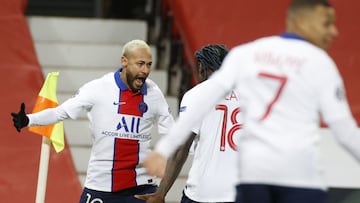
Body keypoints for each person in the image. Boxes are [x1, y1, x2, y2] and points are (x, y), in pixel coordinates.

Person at [142, 0, 360, 203]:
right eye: (327, 23)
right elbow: (344, 130)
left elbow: (182, 144)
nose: (334, 31)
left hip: (203, 193)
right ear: (302, 21)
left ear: (201, 68)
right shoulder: (319, 65)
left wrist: (162, 157)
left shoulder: (246, 56)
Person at [11, 39, 174, 203]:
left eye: (149, 65)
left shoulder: (153, 93)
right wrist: (28, 120)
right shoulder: (97, 89)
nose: (145, 70)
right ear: (124, 61)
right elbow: (61, 112)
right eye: (140, 64)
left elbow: (174, 135)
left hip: (141, 188)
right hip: (101, 187)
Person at [136, 44, 240, 203]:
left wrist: (161, 193)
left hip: (201, 194)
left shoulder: (196, 95)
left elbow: (181, 148)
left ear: (200, 67)